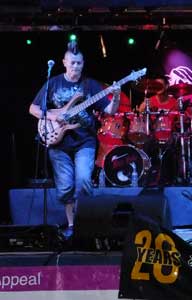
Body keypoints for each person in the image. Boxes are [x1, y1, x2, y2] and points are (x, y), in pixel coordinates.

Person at [29, 41, 121, 238]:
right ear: (64, 62)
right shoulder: (52, 83)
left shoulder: (91, 85)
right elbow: (33, 109)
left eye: (79, 63)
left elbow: (110, 110)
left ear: (83, 63)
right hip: (57, 140)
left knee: (84, 181)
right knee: (65, 187)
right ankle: (71, 226)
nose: (75, 67)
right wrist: (55, 116)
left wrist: (117, 95)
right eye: (72, 63)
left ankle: (83, 224)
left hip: (84, 141)